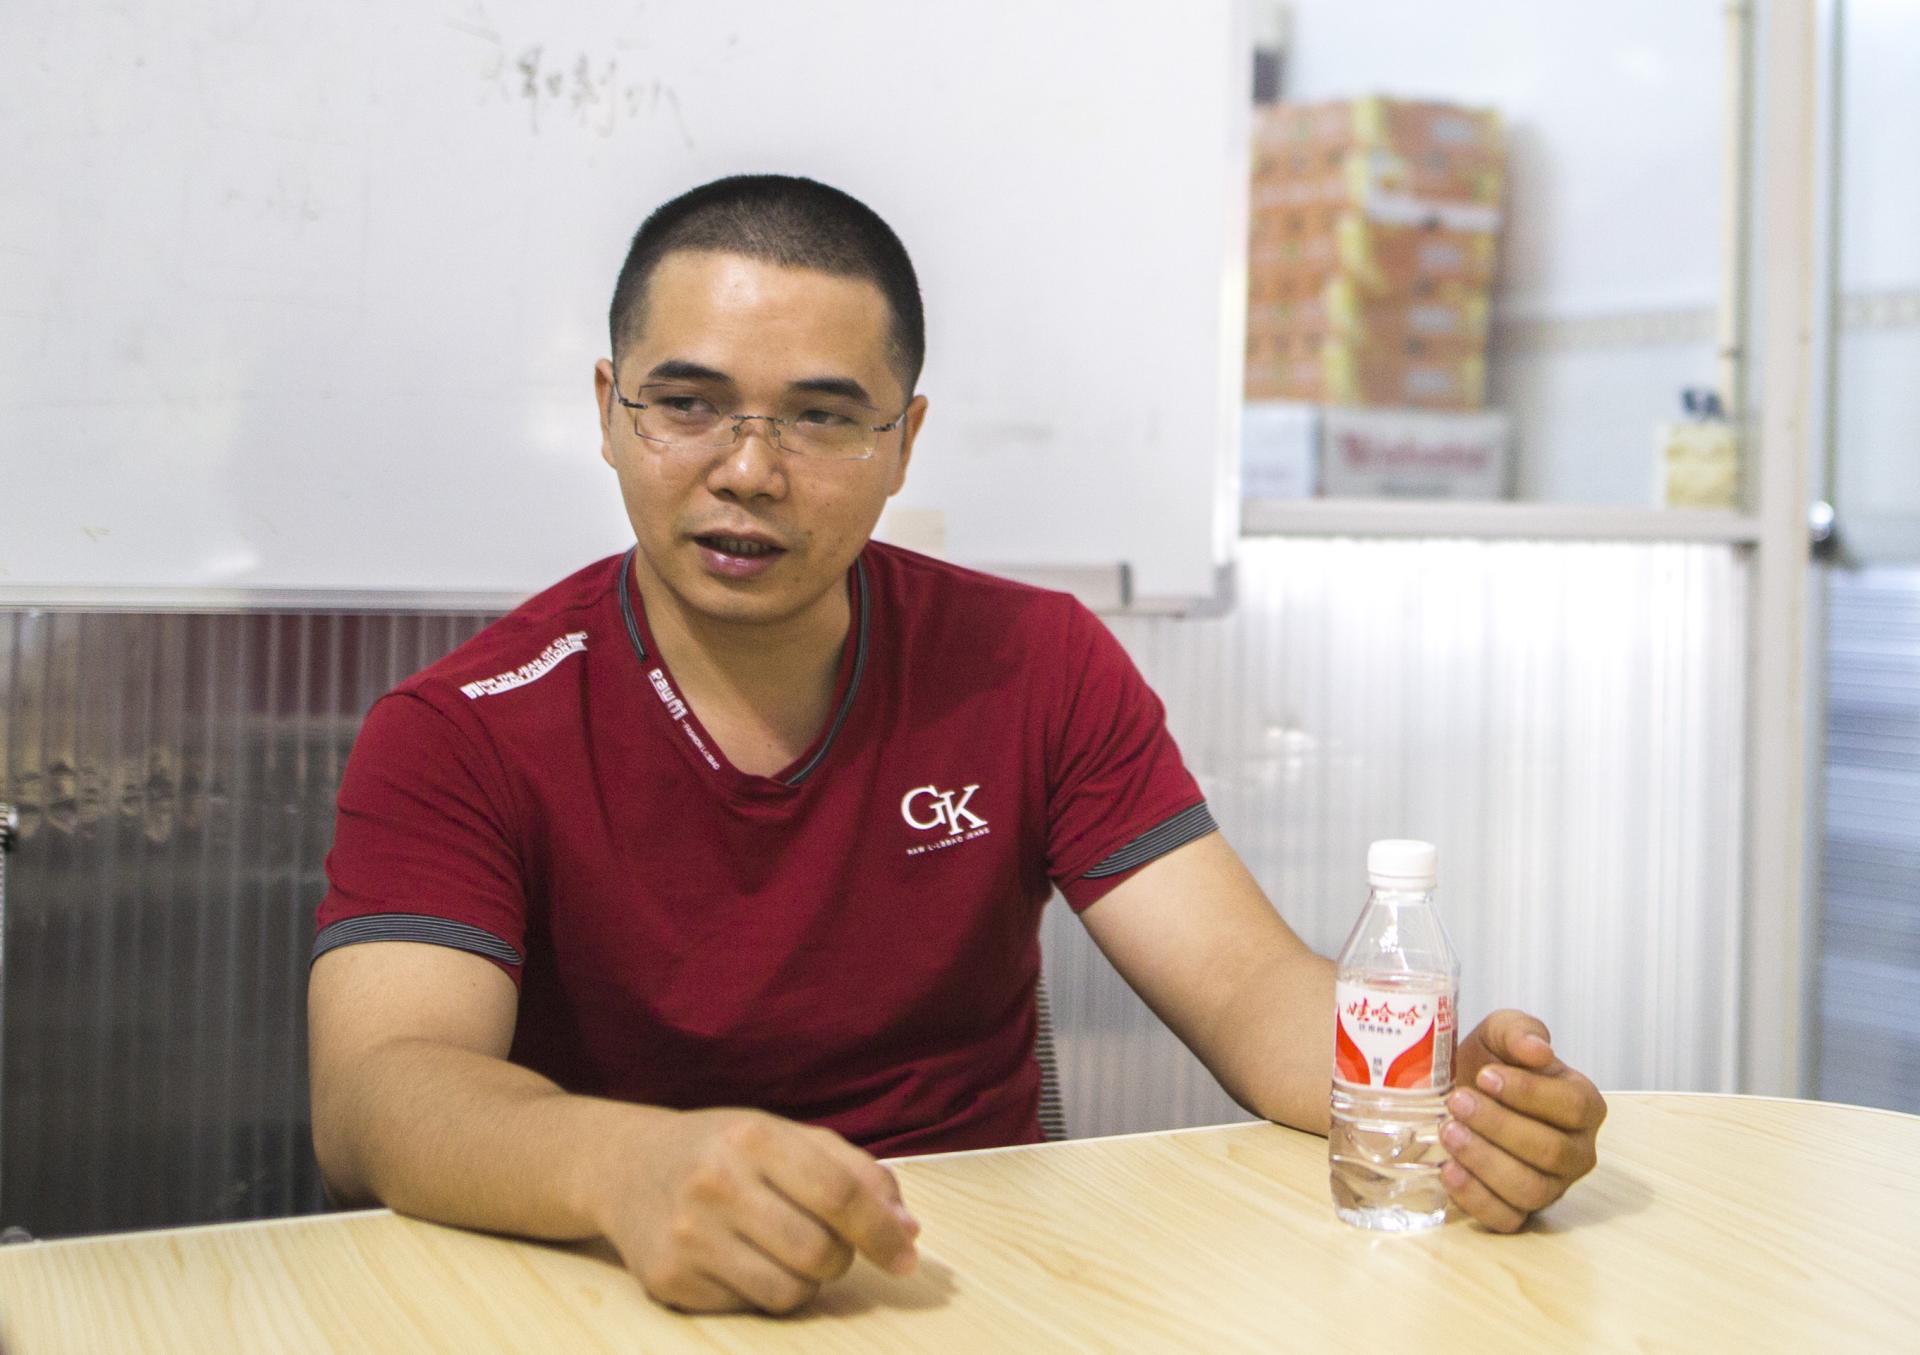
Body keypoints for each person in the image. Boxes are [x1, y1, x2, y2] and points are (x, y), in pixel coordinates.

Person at [307, 174, 1606, 1316]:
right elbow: (379, 1093)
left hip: (971, 1285)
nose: (749, 469)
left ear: (903, 443)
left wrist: (1448, 1102)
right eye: (688, 403)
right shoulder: (463, 727)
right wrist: (623, 1165)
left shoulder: (1031, 663)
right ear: (609, 412)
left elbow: (1246, 989)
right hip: (612, 1278)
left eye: (822, 417)